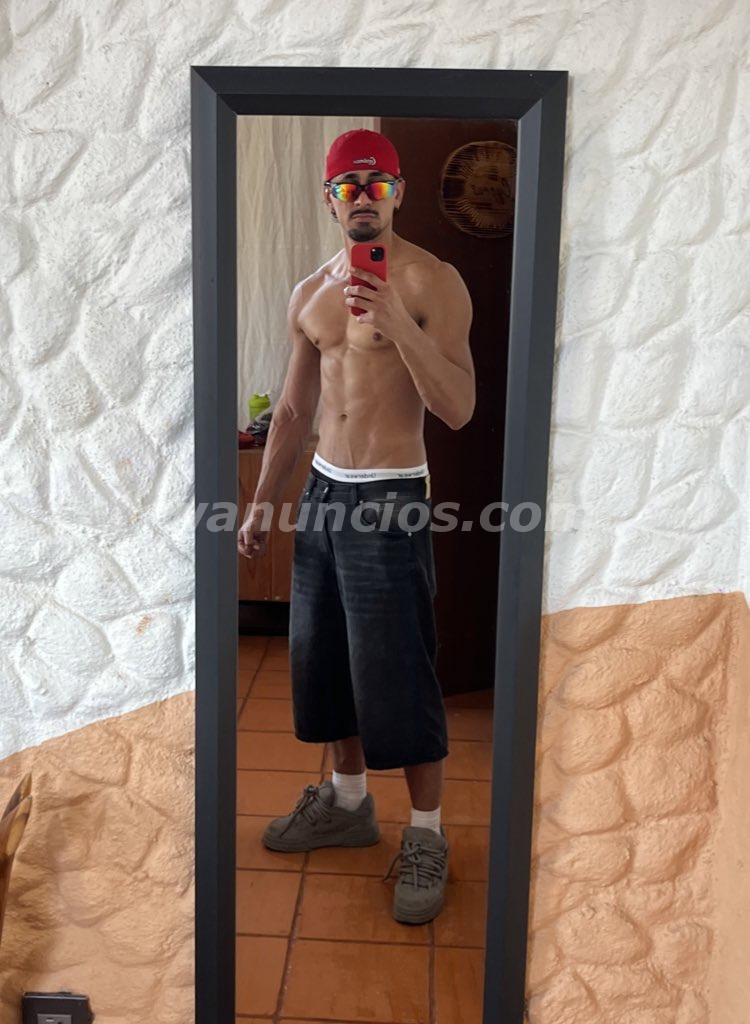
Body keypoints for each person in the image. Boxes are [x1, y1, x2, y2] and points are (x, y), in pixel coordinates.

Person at [238, 128, 475, 924]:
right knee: (322, 659)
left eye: (377, 184)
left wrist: (398, 325)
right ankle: (346, 802)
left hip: (390, 494)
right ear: (330, 200)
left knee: (397, 669)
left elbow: (458, 407)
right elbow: (293, 409)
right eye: (348, 186)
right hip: (324, 492)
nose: (363, 198)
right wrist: (264, 502)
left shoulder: (433, 282)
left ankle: (428, 833)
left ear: (398, 193)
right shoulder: (310, 291)